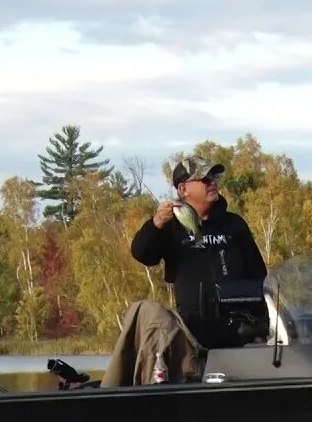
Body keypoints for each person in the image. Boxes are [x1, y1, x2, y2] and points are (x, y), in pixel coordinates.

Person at [109, 155, 268, 384]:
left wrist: (263, 321)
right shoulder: (171, 226)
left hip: (238, 332)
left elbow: (259, 277)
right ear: (184, 189)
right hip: (191, 335)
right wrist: (155, 225)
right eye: (204, 179)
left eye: (214, 177)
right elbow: (142, 253)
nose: (212, 182)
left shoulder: (235, 224)